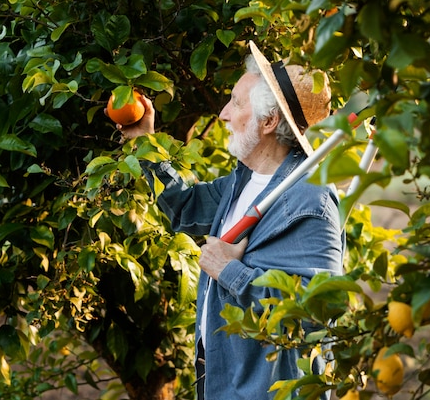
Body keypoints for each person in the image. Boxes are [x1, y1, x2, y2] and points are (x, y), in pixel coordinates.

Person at [114, 41, 344, 400]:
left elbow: (318, 312)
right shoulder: (244, 181)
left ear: (268, 121)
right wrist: (146, 143)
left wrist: (229, 272)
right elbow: (185, 207)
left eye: (236, 102)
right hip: (224, 380)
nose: (222, 113)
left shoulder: (310, 201)